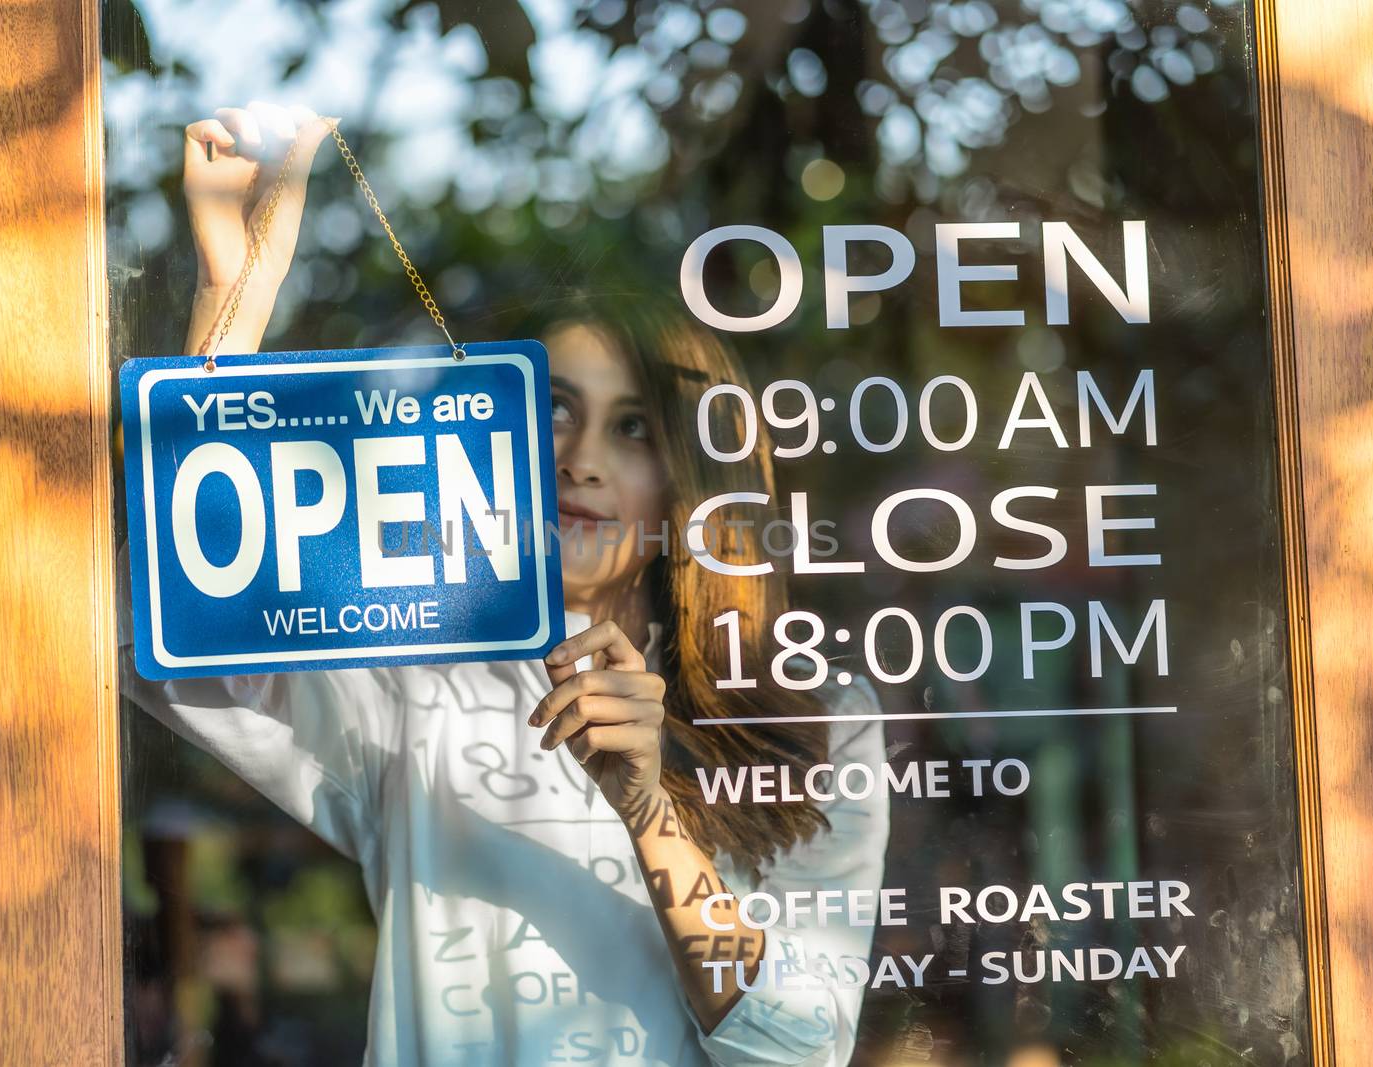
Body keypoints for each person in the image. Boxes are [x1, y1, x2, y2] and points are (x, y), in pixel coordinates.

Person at [124, 103, 889, 1066]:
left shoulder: (824, 717)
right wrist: (236, 293)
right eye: (553, 411)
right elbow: (173, 624)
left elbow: (800, 1044)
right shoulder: (413, 672)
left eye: (634, 428)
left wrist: (650, 810)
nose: (580, 461)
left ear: (696, 471)